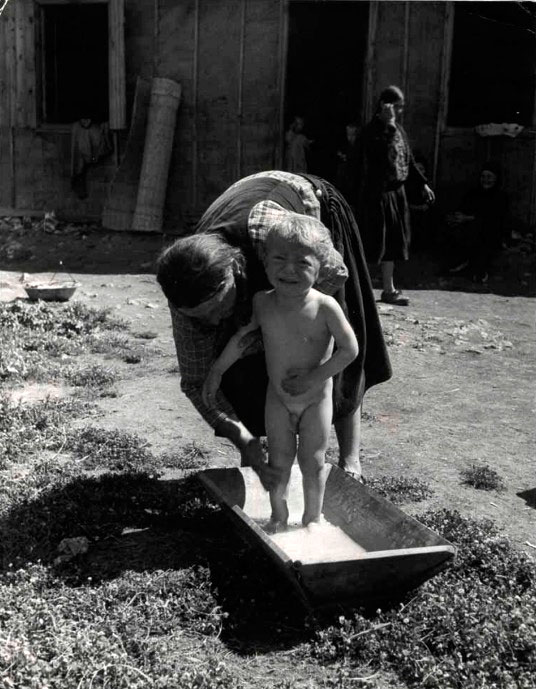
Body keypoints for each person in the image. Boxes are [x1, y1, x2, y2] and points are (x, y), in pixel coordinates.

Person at [156, 170, 392, 488]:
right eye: (200, 317)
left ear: (236, 270)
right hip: (244, 215)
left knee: (321, 350)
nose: (212, 323)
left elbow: (335, 274)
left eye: (216, 309)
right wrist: (245, 442)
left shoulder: (278, 243)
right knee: (237, 365)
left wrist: (302, 348)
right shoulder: (184, 286)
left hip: (306, 209)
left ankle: (350, 460)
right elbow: (197, 381)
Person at [202, 214, 359, 532]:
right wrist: (217, 371)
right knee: (279, 462)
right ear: (265, 261)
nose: (289, 269)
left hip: (316, 399)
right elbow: (243, 339)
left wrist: (313, 379)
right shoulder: (263, 302)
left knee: (312, 462)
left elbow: (350, 350)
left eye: (302, 262)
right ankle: (278, 516)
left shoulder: (325, 306)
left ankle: (313, 517)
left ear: (322, 265)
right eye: (279, 259)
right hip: (278, 399)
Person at [356, 85, 435, 305]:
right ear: (384, 105)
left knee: (393, 242)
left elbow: (407, 159)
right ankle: (360, 291)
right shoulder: (372, 132)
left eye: (401, 107)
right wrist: (389, 125)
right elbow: (381, 157)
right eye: (397, 107)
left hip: (396, 194)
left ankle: (389, 289)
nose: (400, 112)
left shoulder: (398, 130)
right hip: (377, 194)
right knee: (374, 241)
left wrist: (422, 184)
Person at [438, 161, 510, 283]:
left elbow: (494, 219)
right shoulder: (473, 193)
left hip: (490, 233)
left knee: (479, 233)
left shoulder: (500, 197)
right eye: (483, 176)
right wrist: (456, 217)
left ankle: (477, 269)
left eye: (489, 177)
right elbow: (463, 208)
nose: (485, 180)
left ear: (496, 179)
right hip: (467, 229)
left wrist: (468, 218)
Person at [336, 122, 360, 211]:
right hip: (346, 176)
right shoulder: (347, 144)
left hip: (353, 176)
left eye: (351, 134)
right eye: (348, 134)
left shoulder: (358, 145)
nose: (349, 137)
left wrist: (347, 158)